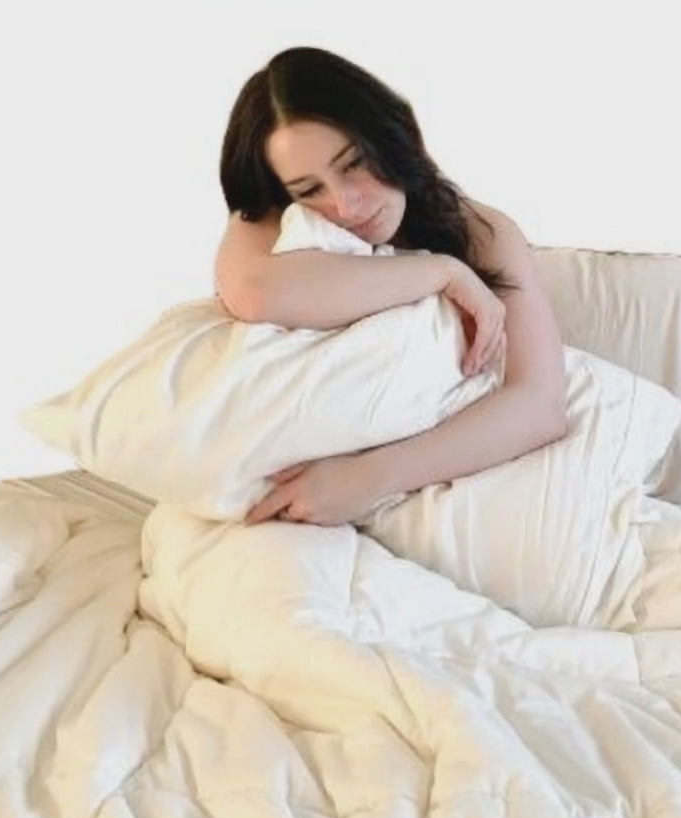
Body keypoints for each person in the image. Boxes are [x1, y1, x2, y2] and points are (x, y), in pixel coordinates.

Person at [214, 46, 567, 526]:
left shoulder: (482, 233)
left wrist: (370, 477)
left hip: (416, 487)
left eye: (353, 162)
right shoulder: (273, 215)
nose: (345, 205)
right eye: (310, 189)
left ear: (393, 136)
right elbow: (256, 293)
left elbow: (539, 404)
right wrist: (442, 273)